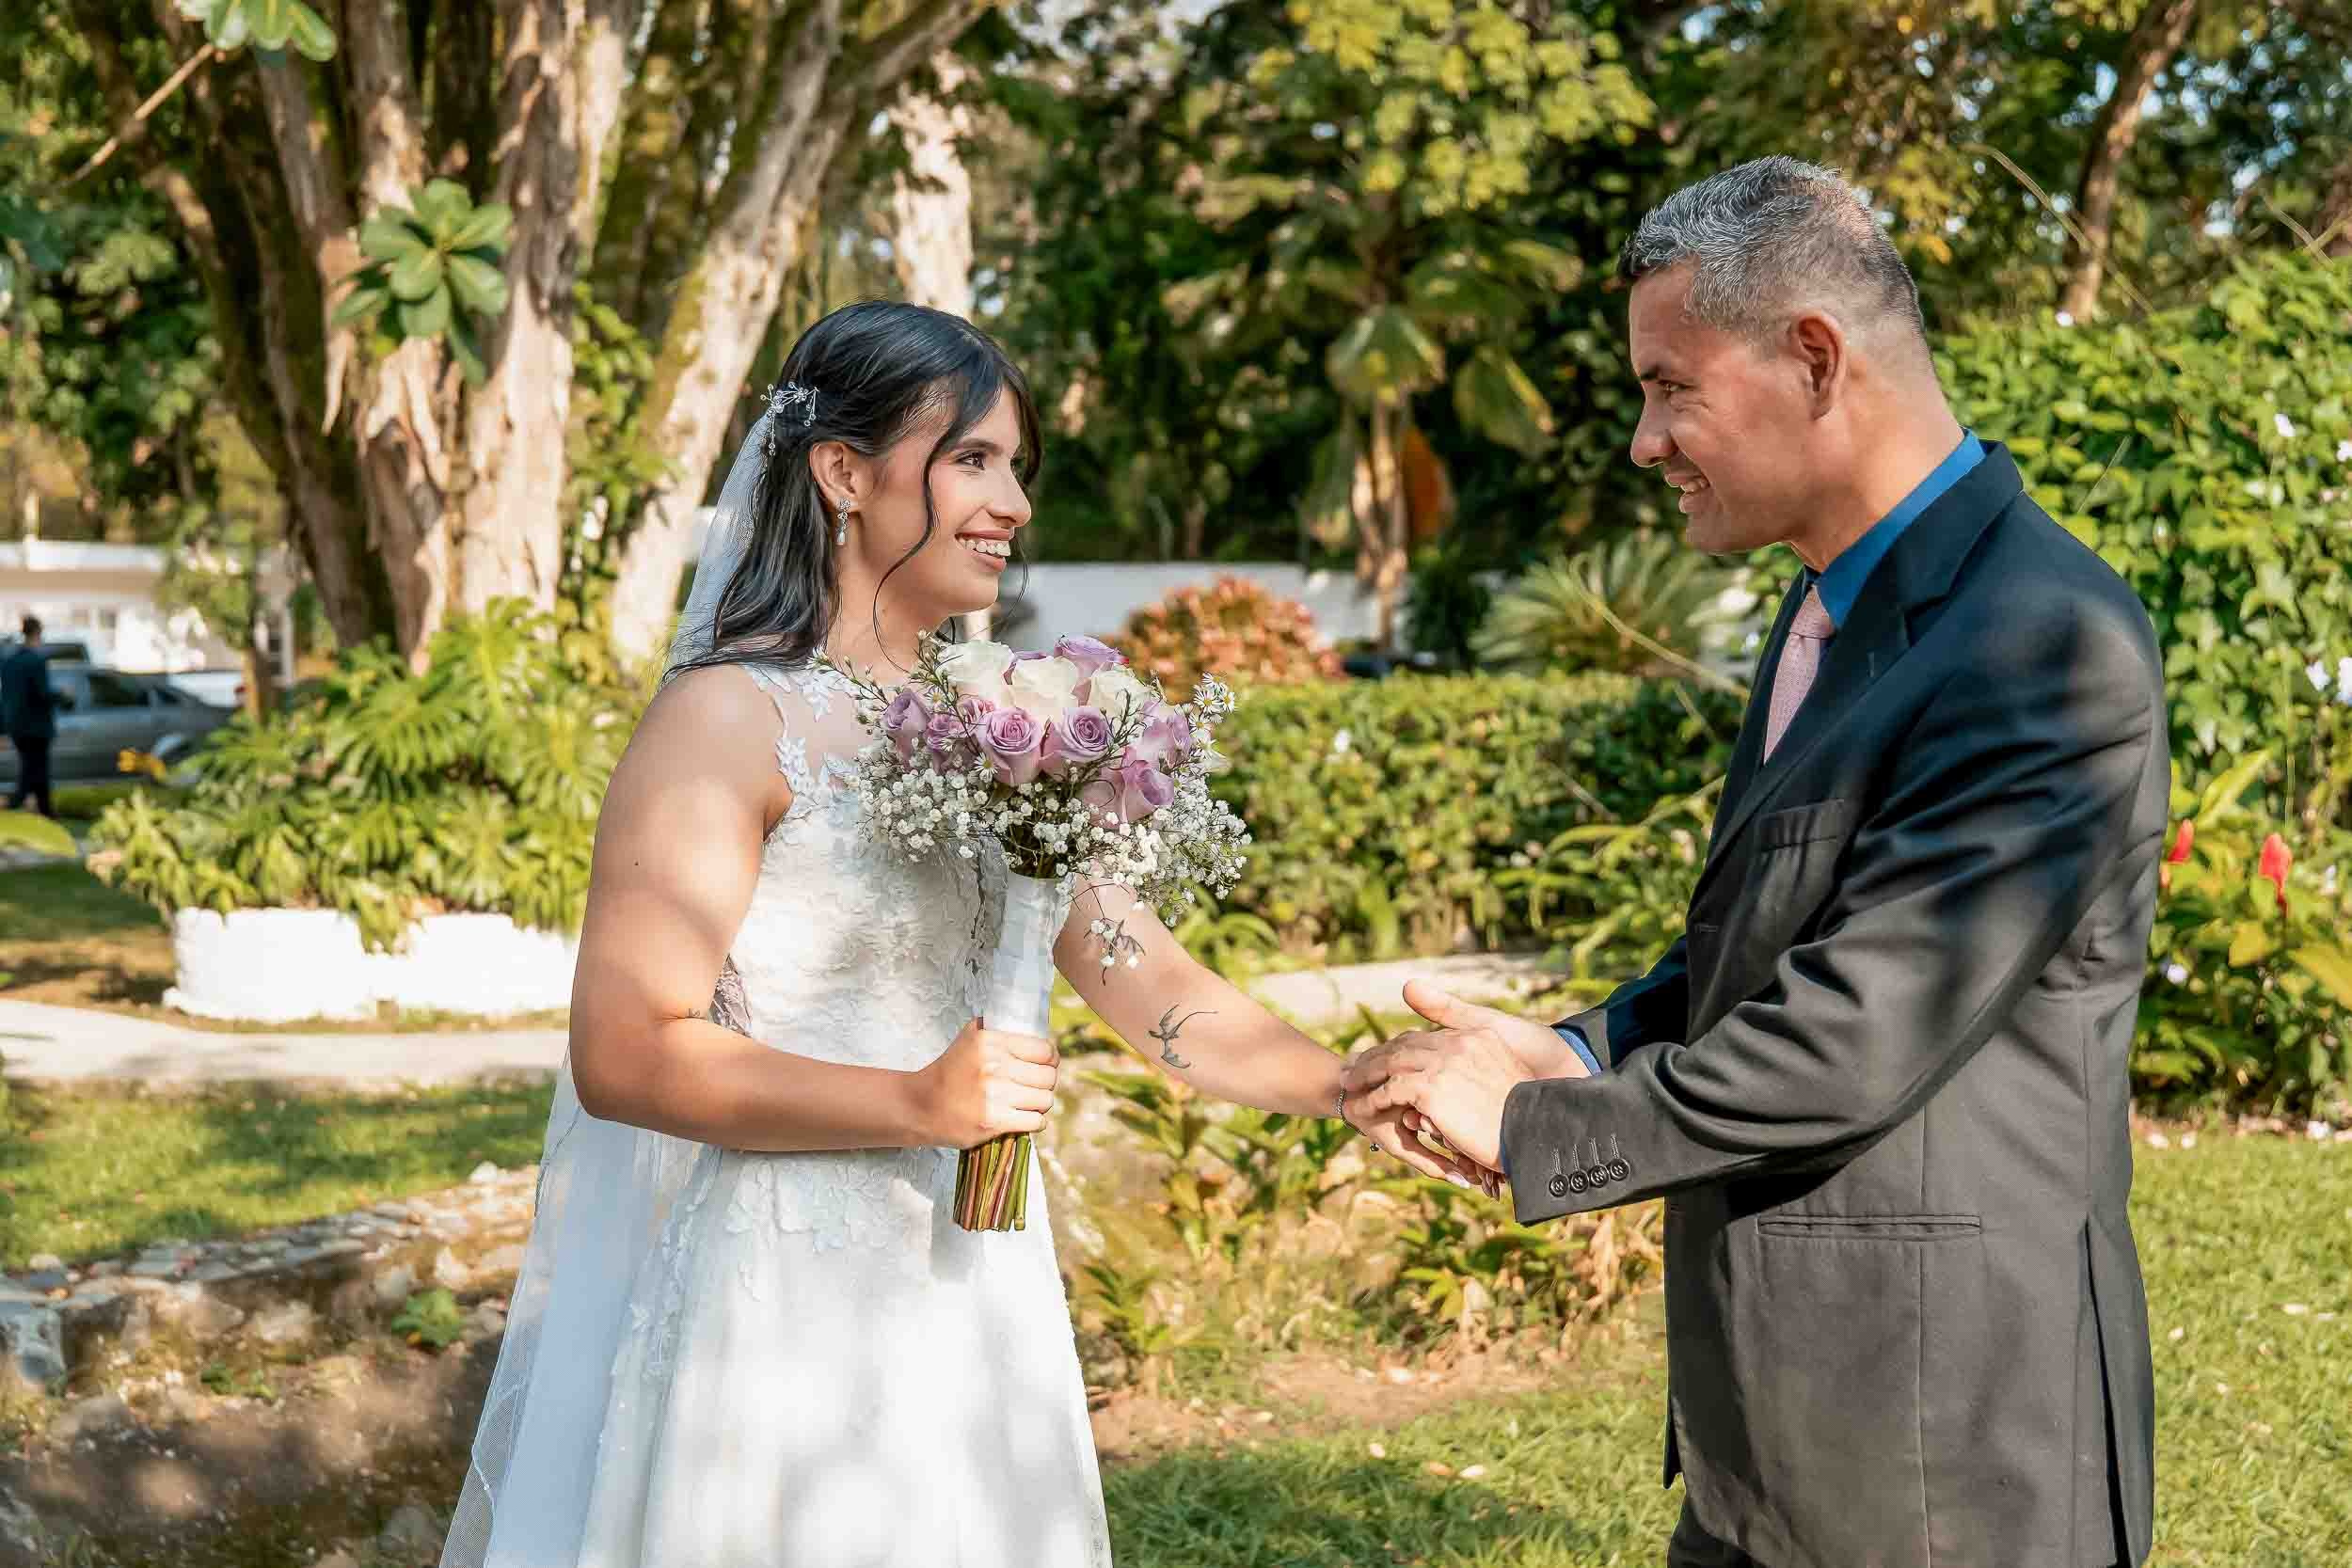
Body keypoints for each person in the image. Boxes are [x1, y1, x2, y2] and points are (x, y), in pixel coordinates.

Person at [439, 301, 1478, 1568]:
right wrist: (918, 1097)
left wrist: (1350, 1084)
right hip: (784, 1301)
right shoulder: (723, 720)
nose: (1014, 503)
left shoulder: (999, 721)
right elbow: (625, 1053)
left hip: (976, 1279)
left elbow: (1146, 975)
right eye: (974, 459)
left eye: (1016, 465)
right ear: (843, 473)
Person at [1346, 157, 2166, 1568]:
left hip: (1945, 1458)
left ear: (1813, 357)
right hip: (1773, 1441)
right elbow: (1767, 948)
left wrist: (1534, 1133)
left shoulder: (2046, 638)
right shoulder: (1826, 608)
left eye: (1671, 386)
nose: (1644, 440)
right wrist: (1575, 1050)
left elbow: (1854, 1031)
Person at [2, 615, 58, 818]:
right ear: (37, 633)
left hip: (17, 726)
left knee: (34, 770)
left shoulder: (9, 661)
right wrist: (62, 695)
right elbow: (42, 694)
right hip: (37, 726)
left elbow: (7, 695)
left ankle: (45, 811)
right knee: (35, 770)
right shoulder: (35, 661)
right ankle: (14, 803)